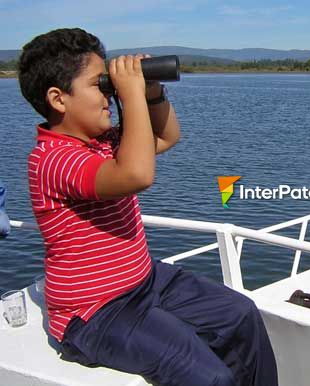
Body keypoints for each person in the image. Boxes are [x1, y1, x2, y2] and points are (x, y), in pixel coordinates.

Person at [17, 28, 278, 386]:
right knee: (209, 377)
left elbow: (166, 137)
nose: (109, 95)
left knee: (240, 314)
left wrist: (151, 91)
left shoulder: (102, 142)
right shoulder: (52, 160)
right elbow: (137, 173)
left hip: (144, 281)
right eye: (99, 85)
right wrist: (131, 92)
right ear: (58, 99)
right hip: (95, 313)